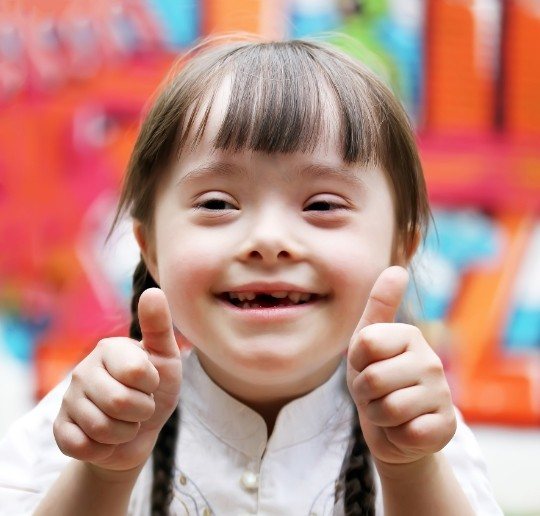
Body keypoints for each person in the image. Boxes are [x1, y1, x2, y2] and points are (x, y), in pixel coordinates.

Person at [0, 36, 502, 515]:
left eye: (322, 204)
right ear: (149, 246)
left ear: (400, 248)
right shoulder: (89, 415)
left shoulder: (426, 430)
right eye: (217, 203)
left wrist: (411, 469)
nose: (268, 238)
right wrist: (103, 474)